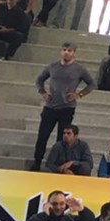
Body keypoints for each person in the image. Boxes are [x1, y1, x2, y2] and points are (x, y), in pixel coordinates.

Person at [32, 43, 95, 171]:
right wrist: (43, 92)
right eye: (64, 50)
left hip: (67, 108)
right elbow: (39, 80)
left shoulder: (79, 69)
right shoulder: (52, 66)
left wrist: (79, 94)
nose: (66, 52)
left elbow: (92, 84)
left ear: (74, 53)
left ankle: (58, 166)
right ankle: (37, 162)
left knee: (62, 139)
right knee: (42, 136)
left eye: (69, 50)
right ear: (61, 51)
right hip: (50, 107)